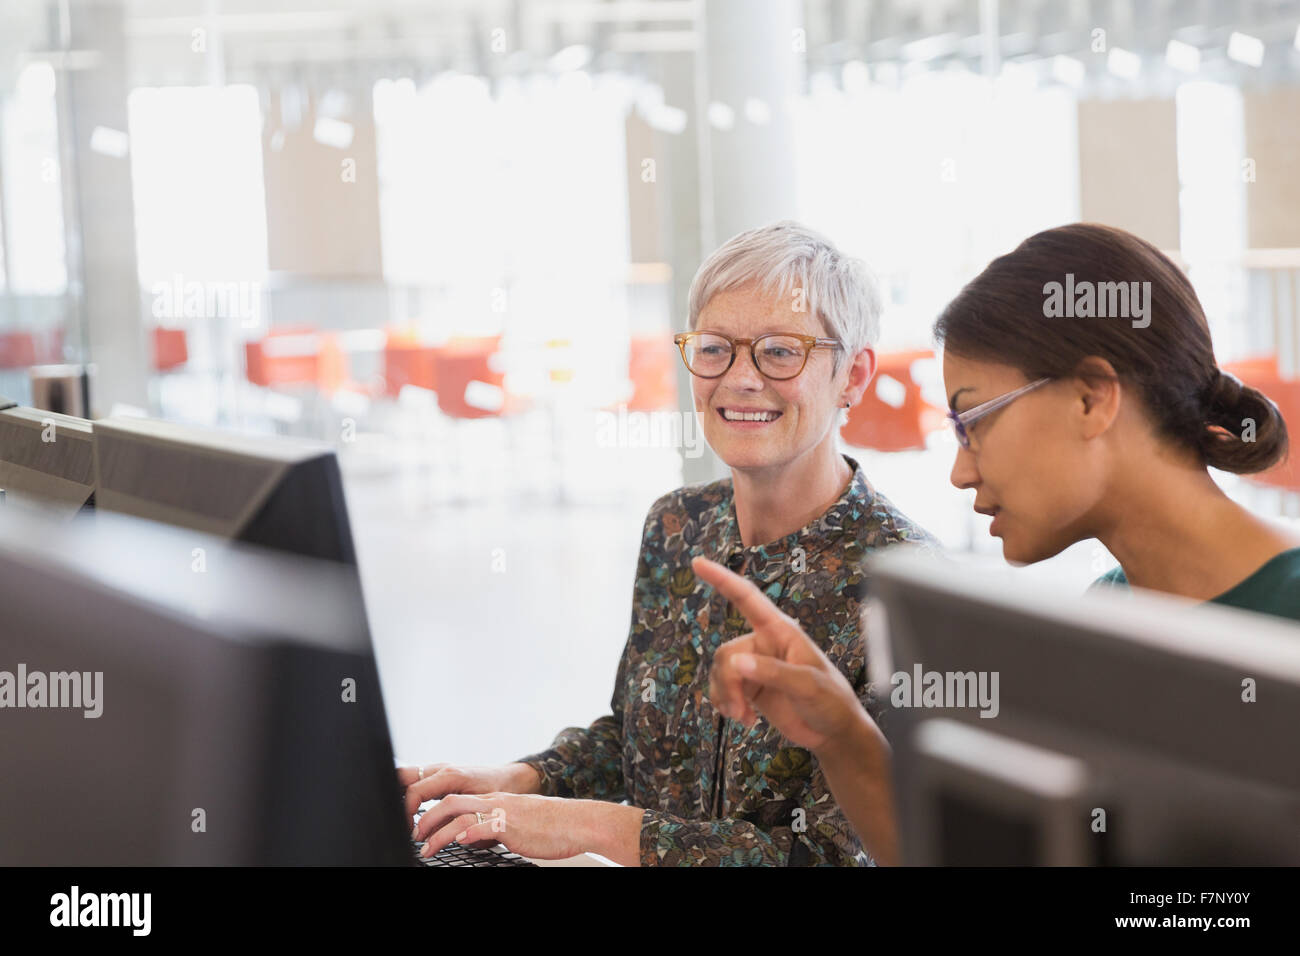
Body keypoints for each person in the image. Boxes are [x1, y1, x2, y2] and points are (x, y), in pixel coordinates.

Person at [700, 222, 1300, 865]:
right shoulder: (1104, 625)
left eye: (974, 421)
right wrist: (840, 732)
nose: (960, 471)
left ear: (1091, 399)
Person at [402, 220, 935, 865]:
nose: (739, 378)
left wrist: (590, 830)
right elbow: (636, 741)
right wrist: (517, 781)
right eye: (715, 349)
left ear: (852, 376)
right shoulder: (676, 525)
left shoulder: (910, 582)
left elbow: (832, 855)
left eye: (780, 351)